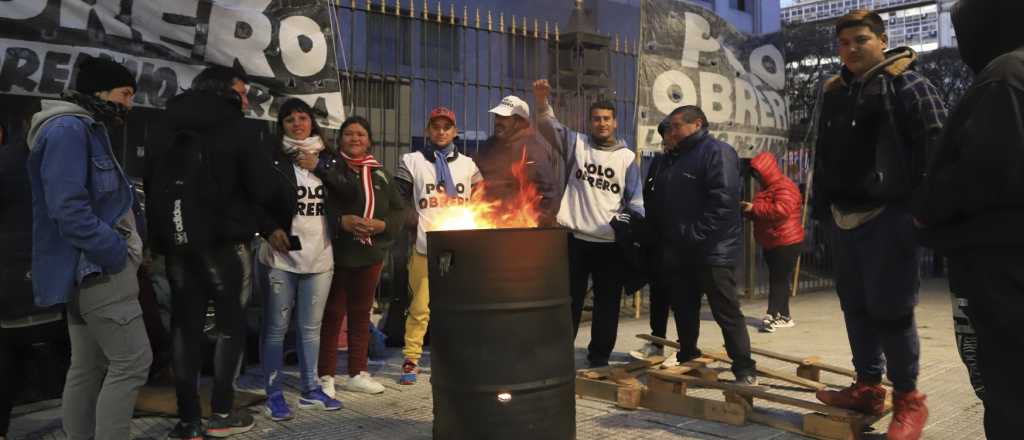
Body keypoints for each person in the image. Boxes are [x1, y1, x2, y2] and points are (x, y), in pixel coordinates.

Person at [810, 10, 946, 440]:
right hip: (843, 216)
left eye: (862, 40)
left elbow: (938, 147)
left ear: (883, 41)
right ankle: (868, 387)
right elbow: (823, 155)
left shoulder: (909, 83)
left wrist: (922, 212)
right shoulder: (834, 91)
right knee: (856, 307)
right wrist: (819, 210)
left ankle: (908, 400)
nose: (851, 48)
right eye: (845, 42)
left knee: (892, 311)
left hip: (891, 216)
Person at [913, 0, 1024, 437]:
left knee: (1008, 392)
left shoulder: (1003, 78)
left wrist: (925, 209)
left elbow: (980, 174)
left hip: (1003, 270)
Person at [26, 56, 151, 440]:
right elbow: (67, 208)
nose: (129, 104)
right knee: (133, 362)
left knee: (88, 366)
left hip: (88, 269)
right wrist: (114, 250)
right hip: (97, 268)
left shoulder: (80, 128)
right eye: (125, 94)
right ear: (98, 91)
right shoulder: (68, 129)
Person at [148, 66, 277, 439]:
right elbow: (262, 185)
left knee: (184, 327)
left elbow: (150, 179)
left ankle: (188, 421)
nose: (246, 99)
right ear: (226, 91)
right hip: (223, 241)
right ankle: (221, 413)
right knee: (229, 324)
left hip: (176, 242)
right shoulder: (237, 126)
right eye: (242, 91)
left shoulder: (166, 121)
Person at [532, 79, 644, 368]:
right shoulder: (577, 144)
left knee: (607, 307)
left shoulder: (627, 158)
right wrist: (543, 102)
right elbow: (549, 127)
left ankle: (599, 357)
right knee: (567, 303)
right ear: (589, 122)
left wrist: (625, 219)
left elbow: (636, 203)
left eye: (606, 119)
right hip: (575, 240)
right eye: (596, 119)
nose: (601, 123)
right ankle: (559, 355)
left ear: (615, 123)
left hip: (609, 245)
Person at [646, 106, 757, 383]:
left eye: (675, 126)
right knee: (683, 307)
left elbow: (722, 204)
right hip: (681, 249)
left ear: (696, 124)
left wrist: (693, 236)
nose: (670, 132)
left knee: (726, 310)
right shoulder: (676, 157)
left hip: (712, 250)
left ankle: (744, 368)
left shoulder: (716, 152)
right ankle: (688, 355)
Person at [259, 98, 343, 421]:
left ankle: (310, 390)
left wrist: (318, 166)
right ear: (282, 125)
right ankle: (274, 392)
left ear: (312, 122)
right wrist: (269, 230)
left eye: (303, 118)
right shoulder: (272, 158)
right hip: (282, 258)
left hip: (320, 257)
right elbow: (258, 201)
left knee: (311, 329)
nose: (298, 124)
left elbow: (347, 191)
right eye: (290, 119)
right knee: (276, 328)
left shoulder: (328, 156)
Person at [317, 116, 405, 396]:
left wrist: (382, 226)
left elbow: (398, 211)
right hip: (337, 253)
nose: (355, 139)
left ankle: (358, 372)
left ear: (369, 141)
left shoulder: (379, 174)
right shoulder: (329, 170)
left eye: (361, 134)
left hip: (369, 255)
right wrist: (341, 220)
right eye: (349, 134)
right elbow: (319, 205)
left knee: (360, 314)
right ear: (339, 139)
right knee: (332, 315)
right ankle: (325, 375)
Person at [394, 107, 482, 384]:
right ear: (428, 130)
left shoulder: (469, 165)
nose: (441, 131)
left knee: (461, 308)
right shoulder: (412, 160)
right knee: (420, 307)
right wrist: (412, 221)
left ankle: (458, 358)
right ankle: (411, 359)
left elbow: (482, 200)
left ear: (455, 131)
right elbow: (397, 199)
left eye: (447, 127)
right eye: (436, 127)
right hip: (425, 244)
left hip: (461, 247)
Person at [630, 117, 677, 361]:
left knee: (681, 298)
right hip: (658, 242)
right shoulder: (659, 162)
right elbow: (648, 196)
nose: (667, 140)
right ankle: (657, 343)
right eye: (664, 136)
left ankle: (684, 348)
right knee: (658, 295)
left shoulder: (691, 161)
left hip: (682, 242)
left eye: (670, 133)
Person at [476, 95, 562, 225]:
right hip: (487, 222)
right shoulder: (488, 146)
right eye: (497, 116)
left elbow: (548, 196)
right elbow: (475, 181)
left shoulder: (533, 151)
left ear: (520, 122)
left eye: (505, 118)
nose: (498, 121)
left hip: (518, 226)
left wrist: (535, 226)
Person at [743, 152, 805, 333]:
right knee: (779, 279)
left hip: (786, 240)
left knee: (778, 279)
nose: (757, 178)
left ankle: (772, 315)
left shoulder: (785, 186)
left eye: (758, 174)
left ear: (767, 171)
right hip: (774, 240)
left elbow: (781, 210)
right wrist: (750, 211)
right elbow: (766, 212)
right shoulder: (768, 189)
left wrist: (755, 208)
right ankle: (784, 316)